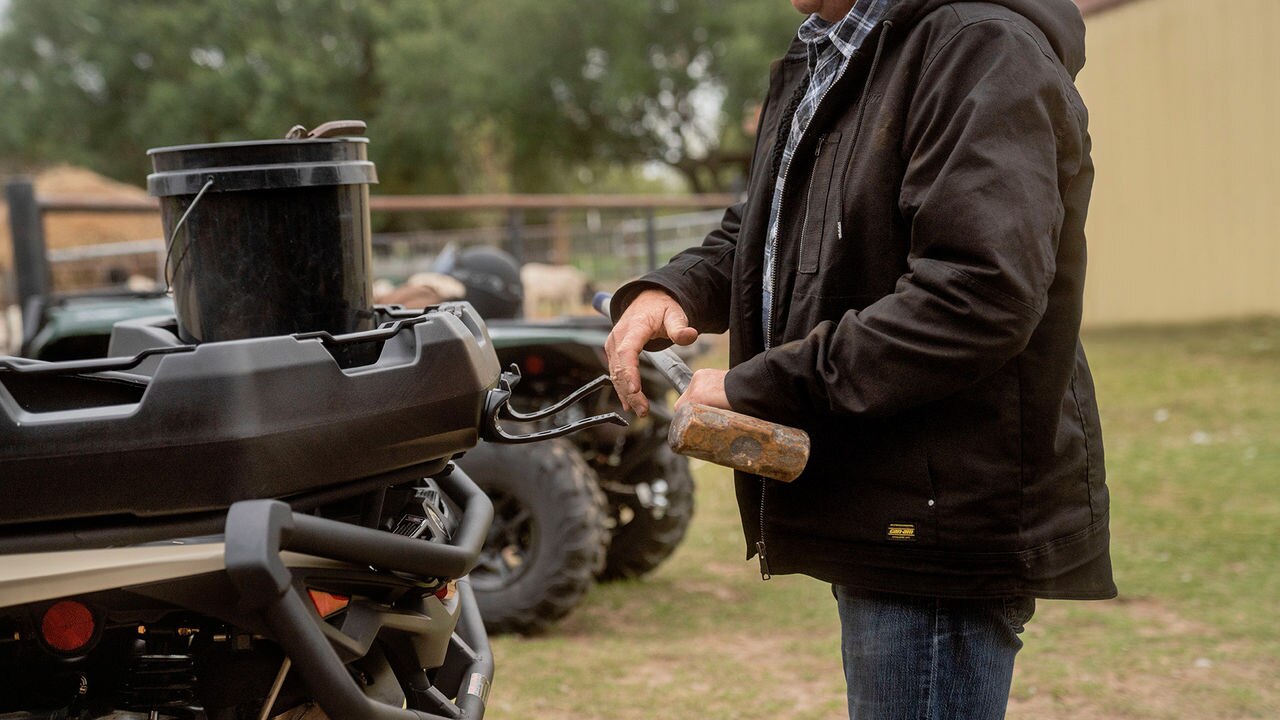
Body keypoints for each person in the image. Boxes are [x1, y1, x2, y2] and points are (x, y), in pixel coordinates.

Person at [603, 0, 1115, 717]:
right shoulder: (835, 49)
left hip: (937, 520)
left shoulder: (979, 47)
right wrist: (676, 288)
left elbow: (977, 294)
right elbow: (764, 224)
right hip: (885, 499)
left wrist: (763, 386)